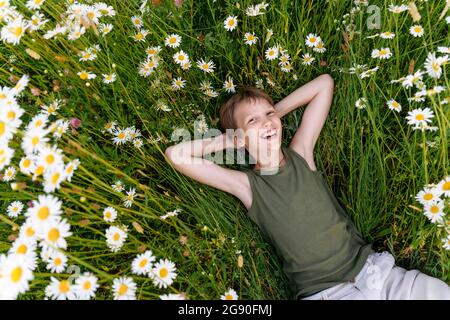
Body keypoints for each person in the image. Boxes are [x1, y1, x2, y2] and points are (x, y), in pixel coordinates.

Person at [164, 74, 450, 300]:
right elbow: (176, 155)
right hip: (327, 294)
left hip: (375, 272)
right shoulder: (248, 186)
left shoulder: (301, 153)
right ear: (239, 138)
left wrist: (275, 114)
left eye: (269, 113)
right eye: (253, 120)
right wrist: (231, 139)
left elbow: (324, 84)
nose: (266, 122)